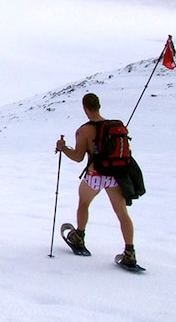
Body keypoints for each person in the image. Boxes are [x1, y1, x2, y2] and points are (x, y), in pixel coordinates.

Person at [56, 92, 138, 267]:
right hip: (115, 176)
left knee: (84, 203)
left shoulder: (84, 130)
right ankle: (130, 252)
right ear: (99, 106)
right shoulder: (115, 126)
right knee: (122, 214)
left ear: (84, 108)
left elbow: (78, 157)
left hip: (95, 176)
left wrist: (63, 148)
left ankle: (79, 236)